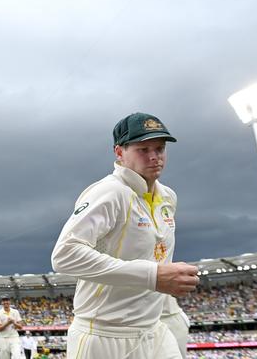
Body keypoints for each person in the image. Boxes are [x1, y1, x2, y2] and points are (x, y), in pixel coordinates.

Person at [51, 113, 200, 359]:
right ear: (119, 153)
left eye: (160, 149)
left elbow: (149, 252)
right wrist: (152, 276)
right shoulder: (110, 192)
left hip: (153, 331)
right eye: (143, 149)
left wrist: (167, 276)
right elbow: (65, 256)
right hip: (104, 336)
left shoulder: (167, 197)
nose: (154, 157)